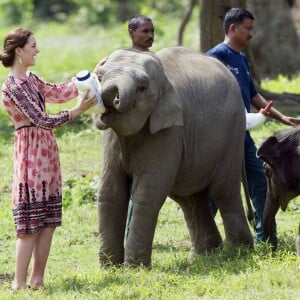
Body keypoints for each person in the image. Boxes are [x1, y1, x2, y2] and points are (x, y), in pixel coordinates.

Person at [0, 27, 96, 290]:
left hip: (46, 152)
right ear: (19, 51)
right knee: (29, 225)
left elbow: (59, 92)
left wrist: (91, 76)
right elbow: (41, 119)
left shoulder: (32, 79)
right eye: (33, 45)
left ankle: (37, 280)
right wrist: (75, 112)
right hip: (30, 155)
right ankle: (18, 284)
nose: (37, 50)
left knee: (48, 221)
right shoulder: (12, 86)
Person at [206, 8, 300, 242]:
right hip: (219, 136)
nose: (251, 34)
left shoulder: (242, 58)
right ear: (232, 28)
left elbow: (254, 96)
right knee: (216, 185)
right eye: (248, 29)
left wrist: (281, 117)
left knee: (260, 180)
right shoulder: (216, 56)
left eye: (252, 29)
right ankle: (204, 235)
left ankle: (265, 237)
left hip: (243, 132)